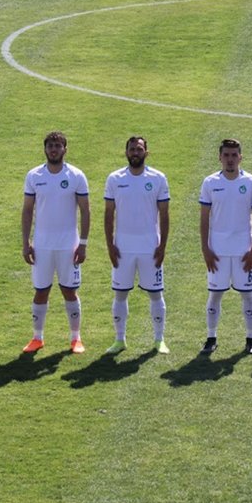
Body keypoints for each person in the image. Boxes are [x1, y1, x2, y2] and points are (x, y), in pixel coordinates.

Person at [22, 131, 90, 354]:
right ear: (45, 149)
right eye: (50, 145)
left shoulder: (76, 176)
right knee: (41, 291)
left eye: (58, 145)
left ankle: (75, 338)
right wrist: (26, 241)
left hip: (67, 245)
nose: (53, 149)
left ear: (65, 149)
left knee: (69, 290)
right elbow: (28, 210)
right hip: (41, 245)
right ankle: (37, 337)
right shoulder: (34, 175)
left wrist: (83, 243)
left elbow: (85, 210)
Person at [103, 137, 171, 354]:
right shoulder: (114, 179)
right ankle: (119, 340)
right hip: (122, 248)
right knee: (120, 294)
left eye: (139, 149)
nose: (135, 152)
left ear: (146, 153)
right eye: (132, 149)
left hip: (150, 248)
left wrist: (162, 246)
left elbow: (164, 214)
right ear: (126, 153)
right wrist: (110, 245)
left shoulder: (158, 178)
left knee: (155, 294)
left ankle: (159, 340)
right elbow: (108, 214)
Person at [199, 139, 252, 355]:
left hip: (242, 250)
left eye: (234, 155)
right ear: (220, 157)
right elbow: (204, 219)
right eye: (226, 155)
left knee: (247, 294)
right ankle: (211, 337)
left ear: (240, 157)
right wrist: (206, 250)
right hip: (217, 251)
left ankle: (251, 338)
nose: (230, 159)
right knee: (215, 294)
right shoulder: (209, 183)